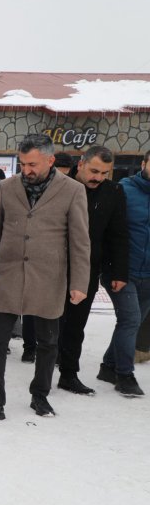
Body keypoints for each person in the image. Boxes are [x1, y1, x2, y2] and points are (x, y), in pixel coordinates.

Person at [0, 134, 90, 425]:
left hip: (49, 277)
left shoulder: (73, 190)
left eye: (33, 164)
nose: (27, 169)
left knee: (48, 341)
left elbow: (80, 241)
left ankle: (40, 394)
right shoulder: (6, 186)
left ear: (50, 160)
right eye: (23, 163)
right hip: (8, 273)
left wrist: (79, 282)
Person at [57, 146, 128, 395]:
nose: (98, 177)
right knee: (50, 323)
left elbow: (118, 235)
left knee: (76, 324)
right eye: (94, 170)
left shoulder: (113, 192)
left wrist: (119, 272)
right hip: (53, 266)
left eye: (105, 173)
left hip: (86, 268)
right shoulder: (60, 186)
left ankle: (68, 374)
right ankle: (43, 371)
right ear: (81, 165)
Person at [97, 149, 150, 397]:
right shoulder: (123, 189)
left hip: (149, 274)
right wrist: (110, 268)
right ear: (143, 163)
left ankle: (108, 367)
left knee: (133, 321)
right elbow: (110, 232)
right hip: (122, 271)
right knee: (130, 320)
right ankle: (124, 375)